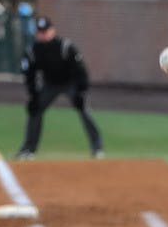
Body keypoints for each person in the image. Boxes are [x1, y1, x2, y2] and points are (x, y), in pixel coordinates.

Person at [15, 16, 103, 160]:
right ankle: (28, 149)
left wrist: (81, 92)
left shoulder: (65, 47)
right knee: (35, 110)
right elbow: (29, 74)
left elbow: (80, 70)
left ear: (52, 30)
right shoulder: (33, 50)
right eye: (40, 32)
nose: (43, 34)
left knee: (84, 110)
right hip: (49, 84)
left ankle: (97, 147)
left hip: (70, 83)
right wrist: (33, 95)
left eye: (45, 31)